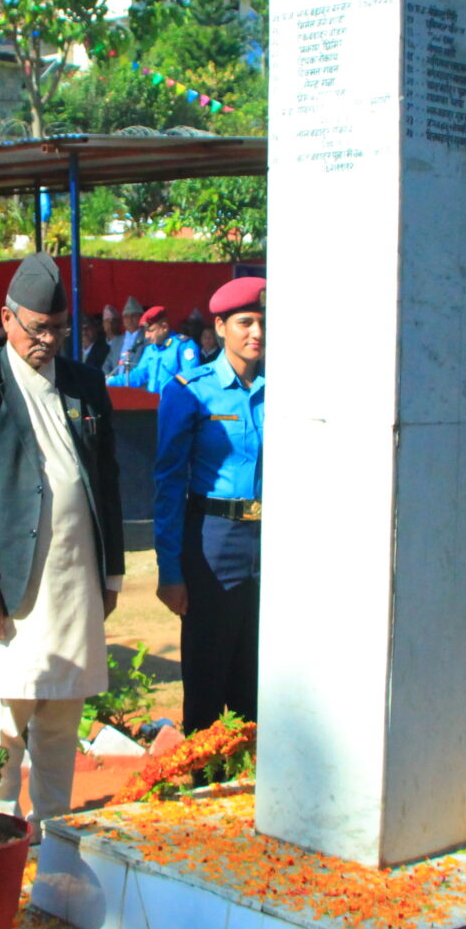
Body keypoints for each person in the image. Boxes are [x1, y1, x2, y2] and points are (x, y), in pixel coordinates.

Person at [0, 253, 124, 837]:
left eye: (58, 330)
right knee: (6, 721)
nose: (48, 340)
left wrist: (111, 575)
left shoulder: (85, 383)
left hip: (75, 579)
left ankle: (54, 831)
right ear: (6, 318)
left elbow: (108, 480)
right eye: (37, 328)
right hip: (9, 582)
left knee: (63, 713)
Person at [153, 277, 265, 733]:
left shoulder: (289, 391)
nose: (256, 332)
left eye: (263, 322)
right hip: (214, 543)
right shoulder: (191, 390)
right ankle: (202, 791)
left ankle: (257, 790)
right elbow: (167, 484)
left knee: (259, 676)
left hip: (270, 543)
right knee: (207, 679)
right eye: (245, 322)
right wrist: (171, 571)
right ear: (219, 327)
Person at [107, 306, 202, 394]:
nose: (147, 336)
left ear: (164, 327)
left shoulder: (184, 345)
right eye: (145, 331)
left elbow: (190, 379)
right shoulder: (150, 349)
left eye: (151, 330)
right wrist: (109, 381)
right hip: (152, 405)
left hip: (175, 404)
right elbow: (137, 376)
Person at [108, 296, 146, 377]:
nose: (130, 319)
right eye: (126, 316)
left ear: (140, 317)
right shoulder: (116, 341)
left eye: (133, 316)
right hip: (115, 386)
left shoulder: (147, 339)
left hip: (136, 386)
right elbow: (107, 364)